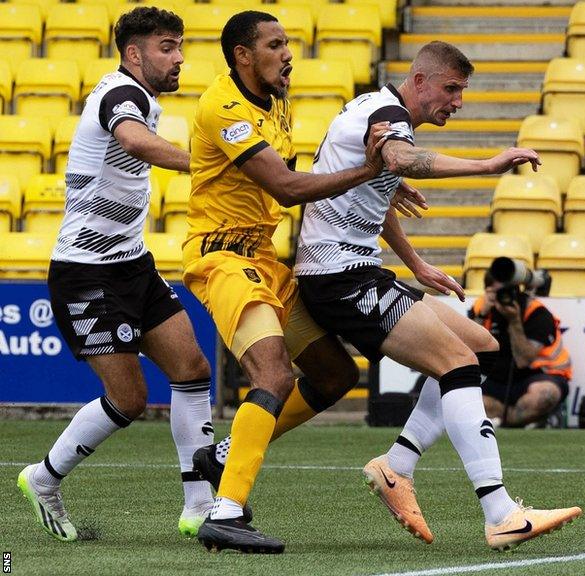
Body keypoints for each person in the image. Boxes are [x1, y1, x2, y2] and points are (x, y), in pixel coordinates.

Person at [292, 40, 581, 551]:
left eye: (463, 91)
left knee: (482, 346)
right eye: (451, 89)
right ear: (420, 81)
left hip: (358, 271)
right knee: (457, 363)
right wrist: (487, 166)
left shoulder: (371, 108)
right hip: (339, 278)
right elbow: (406, 159)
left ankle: (396, 465)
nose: (458, 101)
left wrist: (415, 263)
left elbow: (371, 193)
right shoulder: (388, 117)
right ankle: (500, 513)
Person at [182, 11, 422, 554]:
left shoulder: (277, 102)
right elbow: (289, 188)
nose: (288, 53)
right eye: (275, 45)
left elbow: (305, 172)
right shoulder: (223, 105)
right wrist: (367, 171)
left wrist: (378, 189)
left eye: (288, 42)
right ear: (243, 55)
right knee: (271, 372)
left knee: (335, 374)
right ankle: (226, 512)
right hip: (221, 258)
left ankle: (221, 459)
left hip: (265, 260)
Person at [15, 7, 219, 542]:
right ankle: (43, 477)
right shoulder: (118, 95)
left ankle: (199, 506)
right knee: (128, 400)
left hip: (132, 265)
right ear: (134, 53)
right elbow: (134, 141)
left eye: (179, 47)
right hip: (85, 274)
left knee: (193, 367)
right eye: (167, 47)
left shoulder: (142, 99)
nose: (179, 59)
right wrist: (210, 164)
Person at [471, 271, 571, 428]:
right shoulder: (481, 308)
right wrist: (482, 315)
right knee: (465, 399)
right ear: (487, 291)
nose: (503, 297)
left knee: (546, 394)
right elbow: (467, 349)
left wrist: (515, 321)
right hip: (493, 379)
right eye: (496, 292)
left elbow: (524, 360)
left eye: (507, 292)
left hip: (535, 375)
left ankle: (504, 420)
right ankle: (526, 420)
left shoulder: (537, 312)